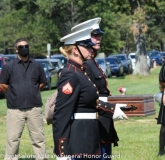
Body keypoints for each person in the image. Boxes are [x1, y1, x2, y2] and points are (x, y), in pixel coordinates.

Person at [53, 27, 126, 160]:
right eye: (87, 46)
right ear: (75, 49)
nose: (91, 49)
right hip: (79, 139)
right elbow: (61, 114)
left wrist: (112, 109)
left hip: (89, 137)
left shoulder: (80, 72)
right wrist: (61, 151)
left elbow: (89, 101)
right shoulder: (71, 74)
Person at [0, 38, 48, 160]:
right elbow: (3, 84)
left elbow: (42, 83)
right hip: (15, 109)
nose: (24, 48)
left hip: (34, 108)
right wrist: (14, 93)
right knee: (13, 139)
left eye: (26, 46)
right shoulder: (9, 67)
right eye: (21, 47)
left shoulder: (37, 65)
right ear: (16, 49)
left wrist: (32, 91)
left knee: (39, 139)